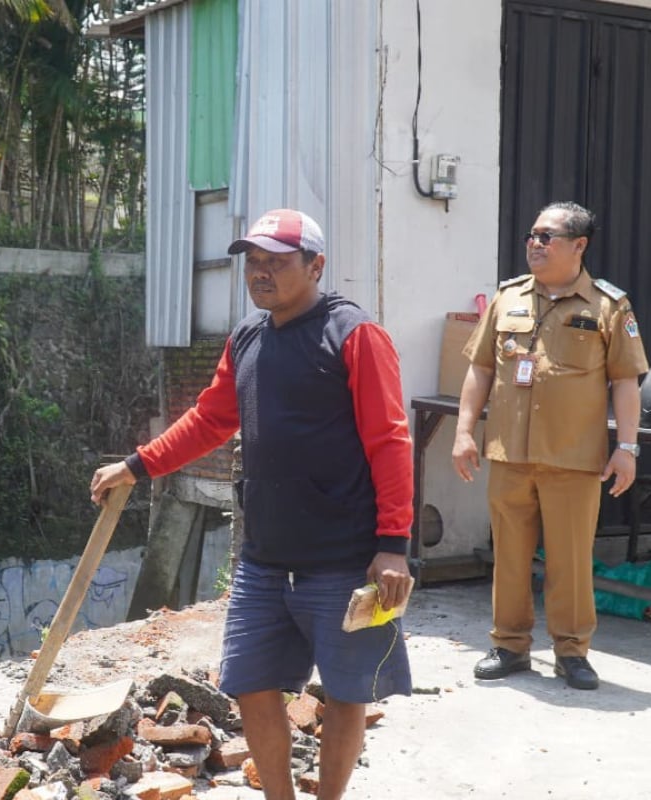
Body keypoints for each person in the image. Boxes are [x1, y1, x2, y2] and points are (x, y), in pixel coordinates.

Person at [90, 209, 414, 800]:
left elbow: (390, 439)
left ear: (315, 266)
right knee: (249, 682)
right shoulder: (247, 337)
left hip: (345, 560)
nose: (261, 273)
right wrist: (138, 465)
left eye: (277, 262)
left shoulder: (354, 334)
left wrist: (393, 545)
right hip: (264, 559)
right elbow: (210, 419)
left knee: (347, 693)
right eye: (254, 262)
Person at [452, 201, 648, 691]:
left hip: (574, 459)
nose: (534, 244)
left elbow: (627, 382)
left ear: (579, 245)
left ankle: (572, 652)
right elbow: (480, 368)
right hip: (510, 456)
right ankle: (510, 646)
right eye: (532, 235)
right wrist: (462, 432)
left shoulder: (608, 307)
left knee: (570, 560)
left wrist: (627, 448)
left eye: (547, 237)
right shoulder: (508, 298)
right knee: (511, 556)